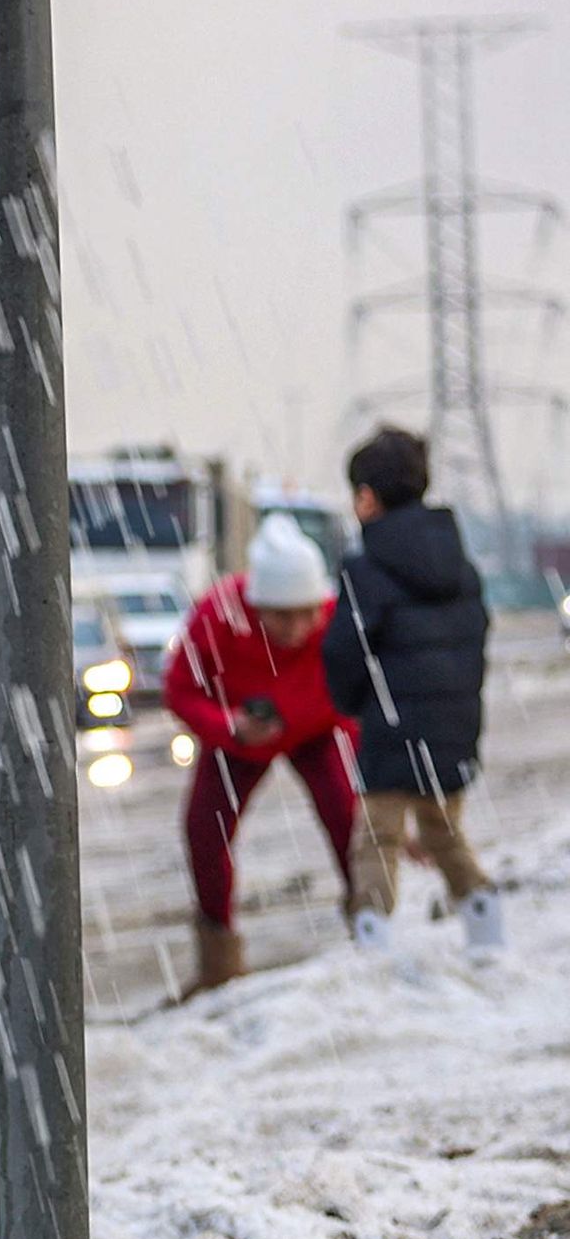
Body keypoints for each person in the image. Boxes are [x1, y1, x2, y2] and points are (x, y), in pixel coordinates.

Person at [322, 424, 502, 954]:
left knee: (377, 841)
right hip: (452, 726)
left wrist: (354, 702)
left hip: (391, 728)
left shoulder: (366, 566)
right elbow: (476, 636)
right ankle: (488, 930)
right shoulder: (461, 566)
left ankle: (372, 949)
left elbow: (342, 650)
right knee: (445, 834)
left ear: (366, 498)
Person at [162, 517, 358, 994]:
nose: (297, 628)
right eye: (282, 617)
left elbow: (360, 693)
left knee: (350, 815)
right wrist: (229, 726)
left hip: (317, 727)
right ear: (256, 606)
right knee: (204, 830)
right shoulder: (218, 613)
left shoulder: (334, 617)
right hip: (241, 736)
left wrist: (371, 764)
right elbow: (180, 689)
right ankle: (219, 959)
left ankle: (372, 922)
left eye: (306, 614)